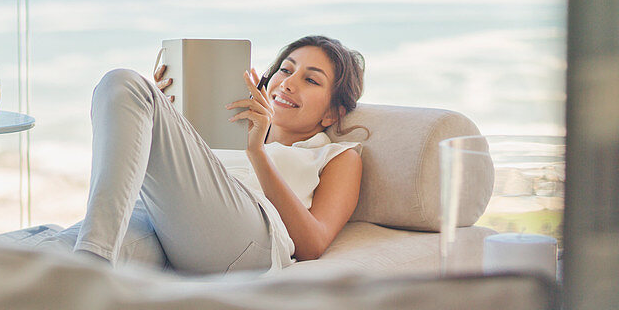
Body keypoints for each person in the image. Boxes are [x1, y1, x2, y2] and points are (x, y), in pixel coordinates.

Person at [29, 35, 367, 275]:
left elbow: (313, 243)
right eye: (285, 70)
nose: (288, 83)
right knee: (52, 254)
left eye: (311, 80)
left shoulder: (335, 155)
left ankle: (92, 264)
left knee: (123, 83)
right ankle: (86, 269)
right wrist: (158, 113)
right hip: (171, 230)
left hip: (249, 241)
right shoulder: (220, 129)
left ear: (332, 114)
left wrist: (257, 153)